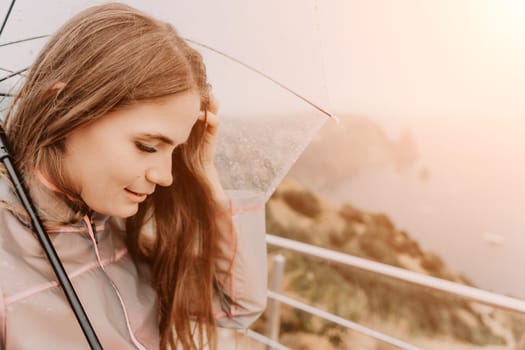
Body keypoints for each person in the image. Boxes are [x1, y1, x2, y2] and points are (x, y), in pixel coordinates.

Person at [0, 3, 267, 350]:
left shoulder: (117, 230)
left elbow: (236, 307)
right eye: (146, 145)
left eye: (176, 150)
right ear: (63, 105)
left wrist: (204, 173)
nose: (167, 176)